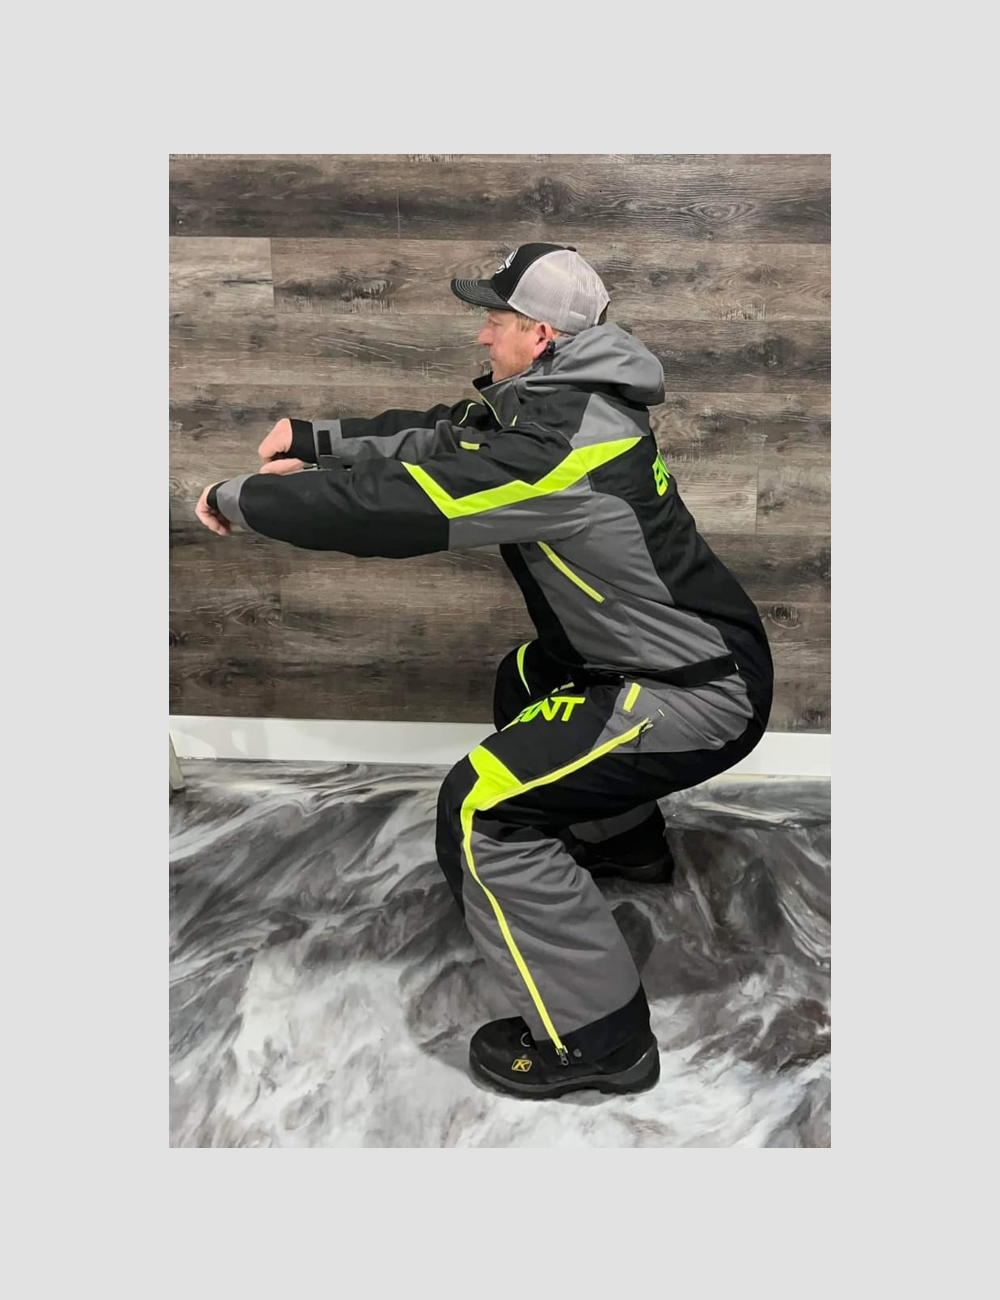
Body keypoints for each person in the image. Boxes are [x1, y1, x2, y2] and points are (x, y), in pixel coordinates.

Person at [195, 243, 774, 1100]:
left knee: (480, 808)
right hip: (658, 655)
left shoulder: (565, 444)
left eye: (495, 320)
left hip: (694, 690)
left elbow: (405, 505)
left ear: (540, 335)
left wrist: (246, 499)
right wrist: (315, 441)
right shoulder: (554, 403)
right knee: (528, 679)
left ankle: (600, 1042)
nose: (481, 334)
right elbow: (441, 436)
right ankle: (627, 847)